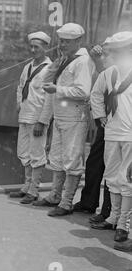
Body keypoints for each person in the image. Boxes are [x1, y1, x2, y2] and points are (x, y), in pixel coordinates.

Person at [33, 23, 97, 217]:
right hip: (61, 117)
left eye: (67, 41)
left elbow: (82, 91)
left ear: (79, 41)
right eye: (61, 41)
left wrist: (57, 89)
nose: (62, 45)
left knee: (71, 159)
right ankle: (55, 196)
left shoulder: (83, 61)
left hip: (75, 117)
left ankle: (67, 202)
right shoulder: (65, 60)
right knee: (58, 158)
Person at [89, 32, 132, 243]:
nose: (112, 54)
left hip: (131, 135)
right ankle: (113, 217)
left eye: (116, 51)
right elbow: (96, 95)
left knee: (128, 181)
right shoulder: (108, 74)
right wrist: (100, 116)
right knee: (112, 175)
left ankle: (124, 225)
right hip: (113, 132)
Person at [9, 31, 52, 204]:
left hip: (37, 117)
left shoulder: (50, 68)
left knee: (37, 153)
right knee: (23, 152)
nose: (33, 50)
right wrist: (19, 103)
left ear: (45, 48)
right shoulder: (28, 66)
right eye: (32, 46)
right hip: (25, 115)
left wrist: (43, 121)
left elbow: (50, 98)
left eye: (37, 47)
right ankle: (26, 186)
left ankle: (34, 190)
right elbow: (21, 86)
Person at [73, 43, 114, 221]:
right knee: (95, 163)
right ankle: (89, 203)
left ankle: (109, 212)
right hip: (107, 122)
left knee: (115, 170)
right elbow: (100, 84)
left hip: (122, 124)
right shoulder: (110, 68)